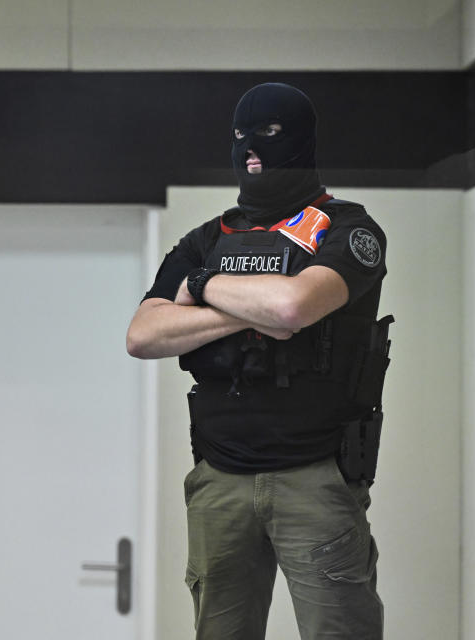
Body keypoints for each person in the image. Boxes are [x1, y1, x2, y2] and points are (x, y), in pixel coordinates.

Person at [126, 82, 390, 640]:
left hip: (316, 477)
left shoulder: (348, 229)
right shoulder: (205, 240)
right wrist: (249, 307)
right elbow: (144, 334)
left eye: (268, 133)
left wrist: (203, 290)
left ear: (300, 139)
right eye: (240, 135)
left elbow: (294, 305)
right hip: (221, 477)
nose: (251, 148)